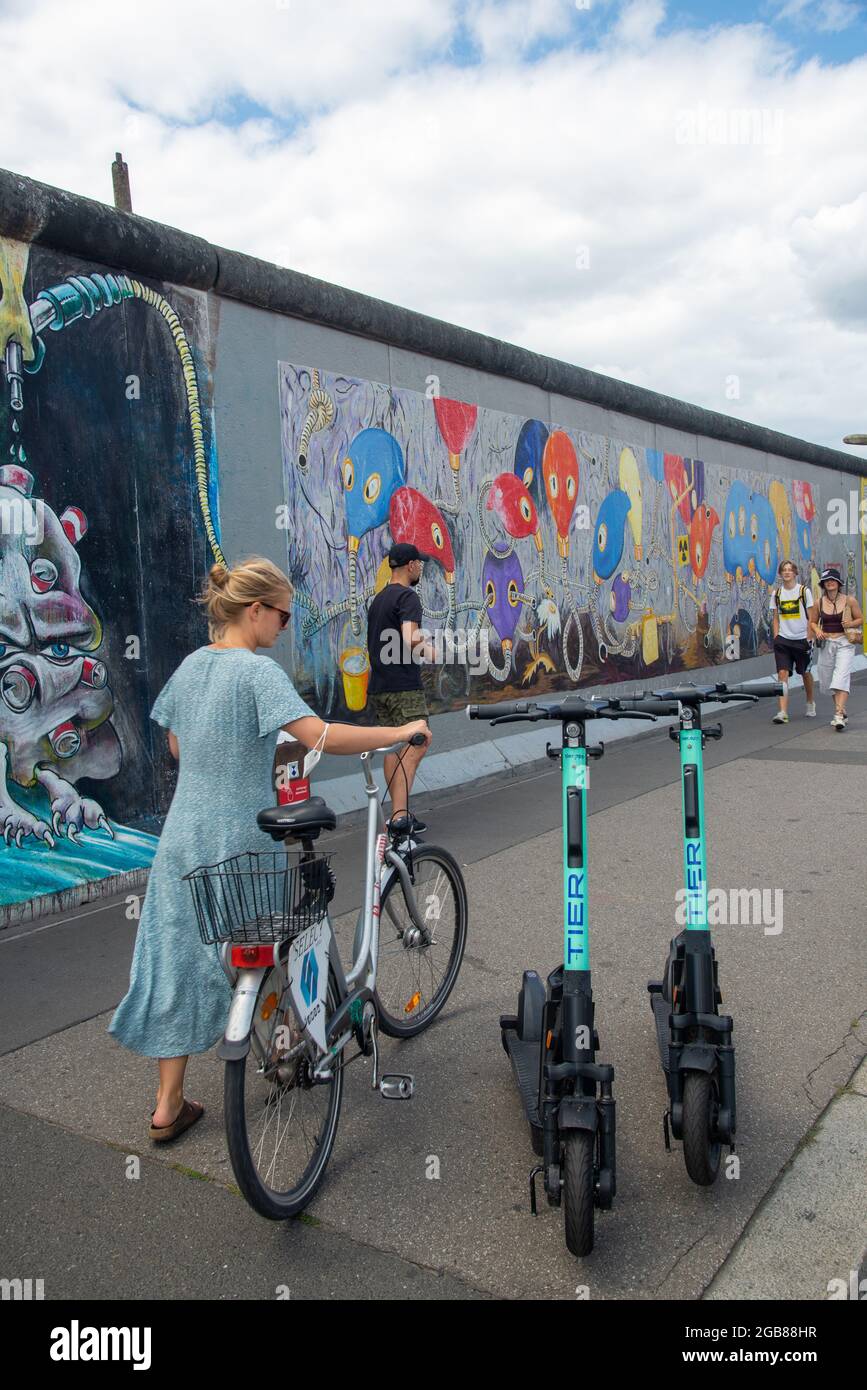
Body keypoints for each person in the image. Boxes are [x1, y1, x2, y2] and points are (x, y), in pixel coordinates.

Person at [109, 557, 431, 1142]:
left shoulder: (189, 669)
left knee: (180, 958)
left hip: (181, 840)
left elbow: (180, 746)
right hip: (239, 838)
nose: (284, 625)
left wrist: (242, 745)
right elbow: (324, 738)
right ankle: (291, 1041)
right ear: (254, 611)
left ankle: (167, 1104)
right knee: (275, 940)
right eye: (281, 615)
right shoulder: (257, 675)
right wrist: (398, 733)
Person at [366, 542, 434, 834]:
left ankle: (399, 811)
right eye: (419, 563)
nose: (420, 568)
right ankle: (399, 818)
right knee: (418, 743)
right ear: (410, 566)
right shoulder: (408, 597)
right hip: (403, 686)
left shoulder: (379, 599)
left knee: (394, 749)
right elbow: (410, 638)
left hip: (379, 688)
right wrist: (434, 652)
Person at [810, 566, 863, 730]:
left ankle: (839, 714)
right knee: (827, 681)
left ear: (839, 583)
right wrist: (818, 630)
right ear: (823, 584)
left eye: (833, 580)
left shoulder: (849, 600)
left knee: (841, 676)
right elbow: (812, 621)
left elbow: (860, 619)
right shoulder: (818, 603)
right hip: (827, 644)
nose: (830, 583)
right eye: (827, 581)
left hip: (845, 643)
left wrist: (850, 623)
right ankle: (841, 709)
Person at [769, 559, 816, 723]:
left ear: (795, 573)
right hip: (783, 640)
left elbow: (812, 617)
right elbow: (775, 617)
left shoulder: (804, 591)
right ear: (781, 574)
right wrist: (776, 637)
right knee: (782, 674)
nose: (787, 572)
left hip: (802, 639)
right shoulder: (777, 594)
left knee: (805, 673)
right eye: (784, 570)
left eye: (790, 570)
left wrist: (809, 637)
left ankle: (810, 701)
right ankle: (782, 711)